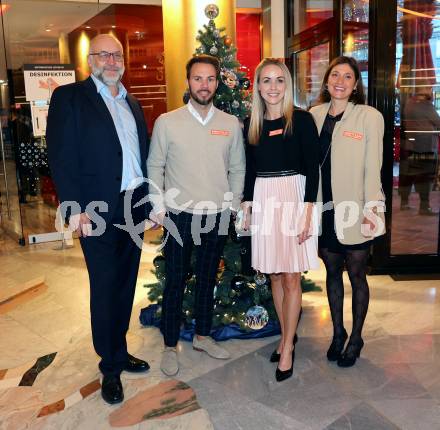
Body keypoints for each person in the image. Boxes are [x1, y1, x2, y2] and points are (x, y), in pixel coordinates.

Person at [46, 34, 151, 404]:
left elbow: (142, 157)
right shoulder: (70, 98)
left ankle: (120, 351)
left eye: (117, 55)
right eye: (104, 54)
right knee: (104, 286)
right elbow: (60, 157)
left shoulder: (132, 101)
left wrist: (150, 200)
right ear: (90, 60)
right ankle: (109, 367)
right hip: (97, 211)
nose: (111, 60)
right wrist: (74, 209)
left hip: (133, 207)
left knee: (124, 285)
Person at [147, 55, 245, 377]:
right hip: (178, 216)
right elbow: (155, 166)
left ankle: (203, 336)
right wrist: (158, 206)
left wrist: (232, 206)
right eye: (198, 78)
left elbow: (237, 168)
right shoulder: (167, 122)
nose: (205, 85)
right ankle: (169, 344)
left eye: (210, 79)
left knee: (207, 279)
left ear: (217, 82)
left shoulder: (230, 124)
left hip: (216, 215)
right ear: (188, 82)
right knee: (175, 281)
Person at [241, 58, 320, 382]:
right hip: (264, 198)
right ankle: (288, 334)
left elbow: (313, 167)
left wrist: (307, 210)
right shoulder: (251, 123)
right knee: (273, 275)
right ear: (258, 86)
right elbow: (249, 170)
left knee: (291, 277)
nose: (272, 87)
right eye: (266, 81)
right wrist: (246, 204)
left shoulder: (300, 121)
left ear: (286, 86)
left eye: (279, 81)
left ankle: (286, 347)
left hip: (293, 195)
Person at [310, 56, 385, 368]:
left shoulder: (369, 117)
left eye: (348, 77)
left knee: (356, 274)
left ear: (356, 85)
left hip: (355, 210)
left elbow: (373, 169)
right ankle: (337, 333)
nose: (340, 81)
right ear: (327, 80)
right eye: (335, 75)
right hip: (324, 208)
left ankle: (356, 338)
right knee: (331, 272)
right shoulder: (312, 115)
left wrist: (371, 209)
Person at [399, 90, 440, 216]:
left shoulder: (409, 103)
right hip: (425, 145)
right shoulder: (426, 105)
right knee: (425, 176)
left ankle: (404, 202)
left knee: (409, 175)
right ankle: (424, 207)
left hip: (410, 145)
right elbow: (437, 122)